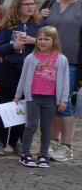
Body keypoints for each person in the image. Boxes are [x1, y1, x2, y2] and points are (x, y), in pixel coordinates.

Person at [0, 0, 42, 156]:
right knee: (6, 103)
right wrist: (12, 46)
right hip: (10, 68)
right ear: (18, 6)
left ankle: (16, 141)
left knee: (24, 105)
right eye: (26, 4)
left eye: (32, 4)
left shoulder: (39, 25)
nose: (30, 7)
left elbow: (50, 45)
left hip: (31, 70)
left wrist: (35, 41)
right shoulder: (8, 25)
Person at [40, 0, 82, 162]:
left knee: (64, 102)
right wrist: (40, 16)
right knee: (51, 103)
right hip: (47, 61)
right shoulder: (49, 4)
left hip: (71, 62)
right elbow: (40, 30)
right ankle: (53, 142)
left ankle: (67, 146)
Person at [14, 26, 70, 168]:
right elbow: (23, 78)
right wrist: (17, 96)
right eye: (40, 39)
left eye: (46, 39)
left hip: (51, 99)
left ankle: (43, 155)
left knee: (47, 127)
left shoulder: (61, 59)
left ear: (54, 40)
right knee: (31, 126)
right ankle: (25, 154)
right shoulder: (30, 58)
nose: (42, 41)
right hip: (33, 98)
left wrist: (63, 100)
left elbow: (65, 81)